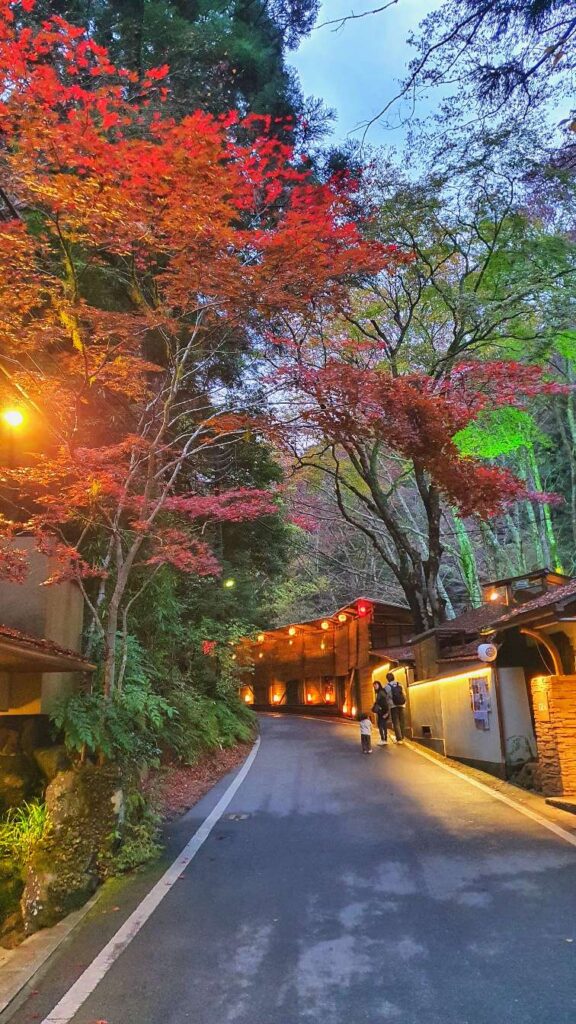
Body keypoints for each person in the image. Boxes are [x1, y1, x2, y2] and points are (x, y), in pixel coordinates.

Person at [384, 671, 406, 742]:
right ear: (394, 677)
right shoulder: (399, 684)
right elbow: (404, 694)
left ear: (387, 679)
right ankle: (402, 737)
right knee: (401, 721)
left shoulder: (387, 687)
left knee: (396, 721)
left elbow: (386, 697)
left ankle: (399, 739)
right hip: (401, 704)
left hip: (393, 706)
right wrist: (404, 702)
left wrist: (388, 705)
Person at [372, 681, 390, 746]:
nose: (375, 687)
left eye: (376, 685)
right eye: (374, 686)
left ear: (379, 684)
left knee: (380, 725)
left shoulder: (381, 692)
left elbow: (385, 702)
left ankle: (383, 739)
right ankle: (384, 739)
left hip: (383, 712)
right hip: (382, 711)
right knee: (383, 725)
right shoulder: (381, 692)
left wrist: (386, 712)